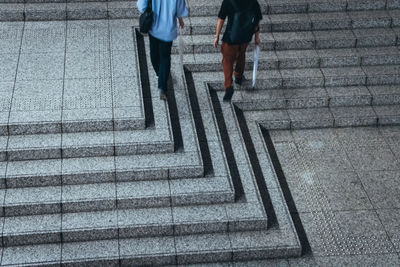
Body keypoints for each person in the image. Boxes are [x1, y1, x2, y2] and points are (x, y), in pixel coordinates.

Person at [137, 0, 188, 100]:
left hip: (154, 28)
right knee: (165, 58)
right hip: (168, 31)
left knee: (154, 52)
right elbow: (180, 10)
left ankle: (158, 73)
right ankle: (162, 87)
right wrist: (180, 20)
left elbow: (142, 7)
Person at [214, 0, 262, 101]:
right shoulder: (253, 1)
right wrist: (256, 37)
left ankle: (228, 86)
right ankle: (239, 76)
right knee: (241, 54)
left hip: (231, 37)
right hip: (246, 36)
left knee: (227, 60)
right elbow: (256, 20)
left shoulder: (228, 1)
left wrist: (217, 36)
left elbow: (221, 18)